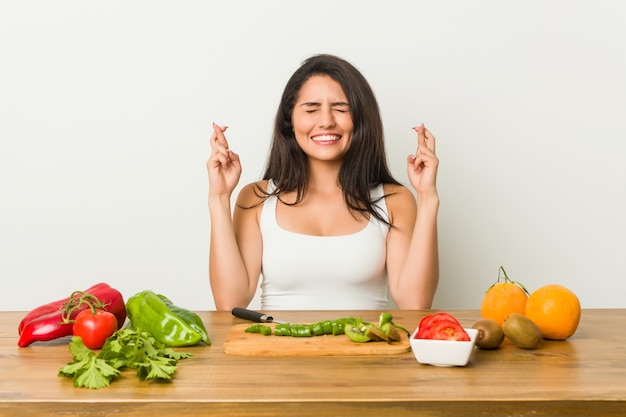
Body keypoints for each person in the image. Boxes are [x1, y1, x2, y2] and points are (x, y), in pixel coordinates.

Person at [207, 54, 439, 311]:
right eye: (311, 109)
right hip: (276, 349)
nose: (326, 121)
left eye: (341, 109)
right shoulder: (256, 199)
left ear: (360, 119)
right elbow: (230, 303)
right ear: (290, 121)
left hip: (367, 350)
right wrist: (219, 198)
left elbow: (415, 303)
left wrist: (427, 197)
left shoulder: (395, 200)